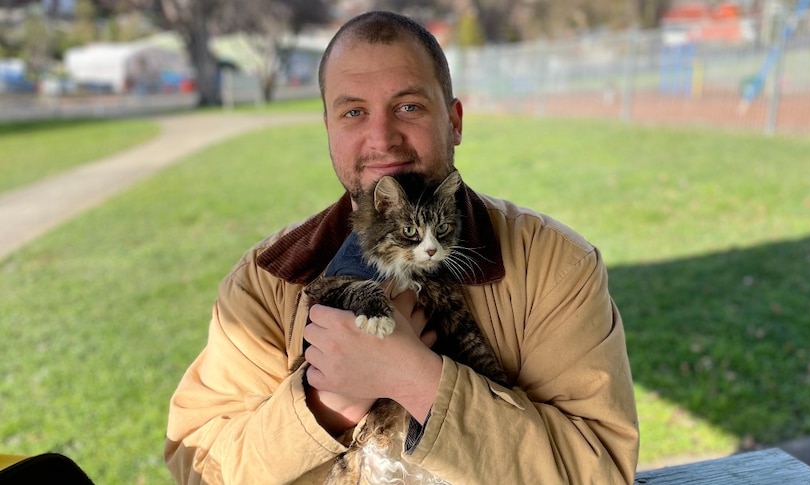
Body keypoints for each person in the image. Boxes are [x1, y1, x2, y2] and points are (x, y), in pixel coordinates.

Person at [165, 10, 639, 485]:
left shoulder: (555, 265)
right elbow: (198, 467)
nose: (382, 139)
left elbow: (599, 471)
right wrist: (330, 403)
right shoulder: (265, 280)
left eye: (408, 107)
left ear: (453, 121)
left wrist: (415, 378)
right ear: (329, 130)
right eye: (354, 112)